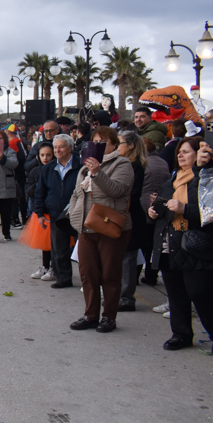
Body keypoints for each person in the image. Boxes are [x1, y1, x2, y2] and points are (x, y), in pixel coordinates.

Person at [147, 138, 213, 354]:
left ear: (200, 154)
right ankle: (181, 334)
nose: (180, 155)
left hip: (194, 245)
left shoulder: (206, 179)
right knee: (175, 293)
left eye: (186, 152)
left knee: (200, 292)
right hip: (169, 243)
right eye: (179, 151)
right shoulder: (173, 179)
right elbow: (163, 209)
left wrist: (184, 208)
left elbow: (210, 214)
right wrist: (153, 212)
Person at [67, 127, 134, 333]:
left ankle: (109, 317)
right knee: (88, 273)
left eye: (103, 143)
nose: (98, 146)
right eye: (95, 142)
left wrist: (97, 173)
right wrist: (74, 214)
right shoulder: (84, 168)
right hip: (86, 227)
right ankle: (90, 315)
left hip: (109, 226)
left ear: (114, 145)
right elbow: (77, 193)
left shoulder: (122, 164)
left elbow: (116, 190)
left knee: (110, 274)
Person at [32, 134, 81, 288]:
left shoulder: (81, 166)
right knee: (59, 249)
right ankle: (63, 279)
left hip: (78, 213)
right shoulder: (48, 168)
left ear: (70, 147)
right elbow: (40, 192)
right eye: (55, 147)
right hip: (56, 214)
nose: (57, 150)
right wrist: (40, 214)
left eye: (61, 147)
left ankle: (88, 280)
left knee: (83, 249)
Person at [116, 131, 148, 312]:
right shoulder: (124, 163)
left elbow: (132, 195)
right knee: (121, 257)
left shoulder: (135, 166)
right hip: (123, 214)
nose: (117, 146)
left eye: (120, 143)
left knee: (128, 258)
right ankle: (120, 294)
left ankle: (126, 298)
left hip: (130, 216)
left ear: (131, 145)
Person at [141, 139, 170, 293]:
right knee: (154, 244)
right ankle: (151, 274)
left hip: (145, 205)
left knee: (142, 244)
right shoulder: (163, 162)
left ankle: (138, 275)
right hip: (160, 205)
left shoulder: (144, 163)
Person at [25, 141, 55, 278]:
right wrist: (38, 187)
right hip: (40, 211)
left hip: (53, 210)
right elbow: (28, 189)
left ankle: (54, 267)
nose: (45, 158)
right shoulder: (35, 171)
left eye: (48, 155)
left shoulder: (56, 170)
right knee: (44, 242)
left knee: (54, 242)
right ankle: (45, 266)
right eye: (42, 155)